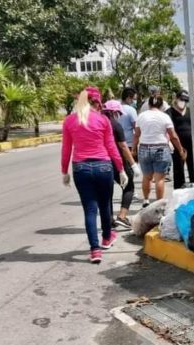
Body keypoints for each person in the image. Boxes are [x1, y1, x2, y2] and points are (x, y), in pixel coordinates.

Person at [61, 87, 127, 264]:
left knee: (90, 209)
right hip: (103, 167)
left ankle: (95, 250)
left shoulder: (69, 121)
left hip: (80, 168)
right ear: (97, 102)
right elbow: (112, 147)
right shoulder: (103, 120)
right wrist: (121, 169)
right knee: (105, 205)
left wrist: (64, 172)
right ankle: (107, 238)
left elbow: (66, 149)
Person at [133, 95, 187, 204]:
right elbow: (173, 136)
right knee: (159, 179)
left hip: (144, 148)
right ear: (161, 105)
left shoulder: (141, 116)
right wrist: (180, 149)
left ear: (149, 104)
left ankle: (146, 200)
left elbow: (136, 135)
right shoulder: (165, 116)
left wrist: (133, 149)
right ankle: (158, 204)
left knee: (146, 177)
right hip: (160, 148)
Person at [102, 100, 141, 229]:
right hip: (117, 161)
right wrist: (133, 164)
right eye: (118, 113)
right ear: (114, 112)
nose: (119, 115)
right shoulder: (115, 125)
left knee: (107, 192)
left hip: (101, 161)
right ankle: (122, 217)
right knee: (129, 186)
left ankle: (109, 220)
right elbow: (123, 147)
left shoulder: (97, 122)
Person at [166, 90, 194, 189]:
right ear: (176, 99)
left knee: (193, 165)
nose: (183, 102)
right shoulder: (169, 112)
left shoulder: (191, 111)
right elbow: (167, 130)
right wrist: (169, 142)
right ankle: (179, 187)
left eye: (185, 100)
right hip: (176, 144)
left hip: (191, 142)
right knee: (178, 167)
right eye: (181, 99)